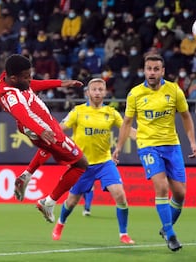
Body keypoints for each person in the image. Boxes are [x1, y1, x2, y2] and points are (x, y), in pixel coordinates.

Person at [112, 54, 196, 252]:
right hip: (148, 146)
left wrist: (192, 141)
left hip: (172, 145)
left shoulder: (174, 90)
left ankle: (166, 227)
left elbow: (186, 116)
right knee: (161, 187)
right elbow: (126, 123)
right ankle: (170, 234)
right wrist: (118, 147)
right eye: (149, 68)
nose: (152, 72)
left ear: (162, 71)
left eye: (156, 69)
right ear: (144, 70)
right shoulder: (135, 94)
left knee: (180, 194)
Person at [0, 54, 89, 223]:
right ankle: (49, 202)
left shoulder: (10, 79)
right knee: (81, 163)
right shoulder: (9, 95)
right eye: (26, 77)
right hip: (45, 129)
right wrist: (41, 130)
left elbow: (33, 85)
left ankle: (26, 176)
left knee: (47, 148)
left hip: (43, 126)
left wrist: (60, 83)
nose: (30, 79)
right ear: (13, 78)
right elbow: (21, 114)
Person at [50, 78, 136, 244]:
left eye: (100, 89)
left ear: (105, 92)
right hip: (82, 164)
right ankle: (60, 224)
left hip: (105, 162)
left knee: (120, 195)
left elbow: (129, 131)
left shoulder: (111, 113)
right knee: (72, 201)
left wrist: (147, 137)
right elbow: (60, 128)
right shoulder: (78, 111)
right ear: (88, 92)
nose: (97, 92)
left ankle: (123, 234)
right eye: (94, 89)